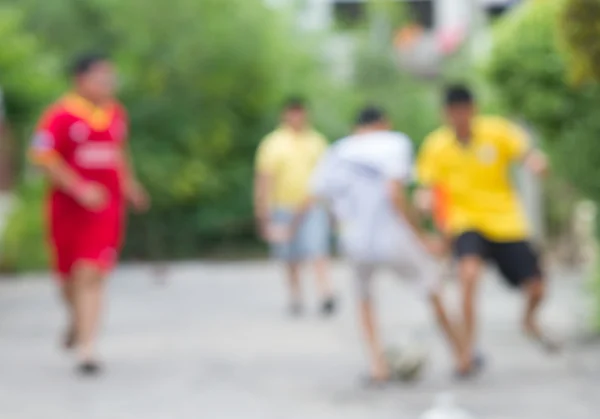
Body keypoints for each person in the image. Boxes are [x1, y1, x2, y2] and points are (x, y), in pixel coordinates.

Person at [294, 106, 463, 383]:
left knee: (364, 299)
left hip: (355, 240)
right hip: (393, 235)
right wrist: (423, 237)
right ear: (384, 123)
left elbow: (316, 194)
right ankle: (462, 355)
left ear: (355, 126)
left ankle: (377, 367)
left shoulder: (338, 150)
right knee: (433, 288)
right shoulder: (394, 142)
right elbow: (395, 193)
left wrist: (313, 226)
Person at [416, 85, 556, 376]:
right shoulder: (436, 146)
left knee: (537, 287)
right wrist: (424, 201)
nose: (459, 117)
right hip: (466, 222)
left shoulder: (497, 132)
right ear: (445, 114)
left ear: (473, 109)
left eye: (464, 110)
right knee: (468, 274)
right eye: (453, 112)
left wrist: (536, 163)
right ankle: (466, 352)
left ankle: (528, 320)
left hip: (506, 221)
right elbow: (427, 187)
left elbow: (528, 154)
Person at [28, 53, 149, 375]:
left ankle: (87, 348)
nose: (109, 84)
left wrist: (130, 185)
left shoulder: (115, 114)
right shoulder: (60, 116)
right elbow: (43, 156)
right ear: (81, 79)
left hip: (106, 208)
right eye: (102, 77)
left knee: (92, 273)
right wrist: (78, 188)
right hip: (68, 210)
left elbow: (119, 152)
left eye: (112, 78)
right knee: (67, 277)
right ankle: (76, 320)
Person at [254, 97, 336, 316]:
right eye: (293, 112)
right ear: (285, 115)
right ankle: (295, 296)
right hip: (282, 206)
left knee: (318, 250)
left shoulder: (317, 141)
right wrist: (262, 209)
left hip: (312, 205)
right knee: (290, 257)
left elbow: (326, 176)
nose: (297, 117)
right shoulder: (273, 143)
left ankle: (325, 292)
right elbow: (264, 177)